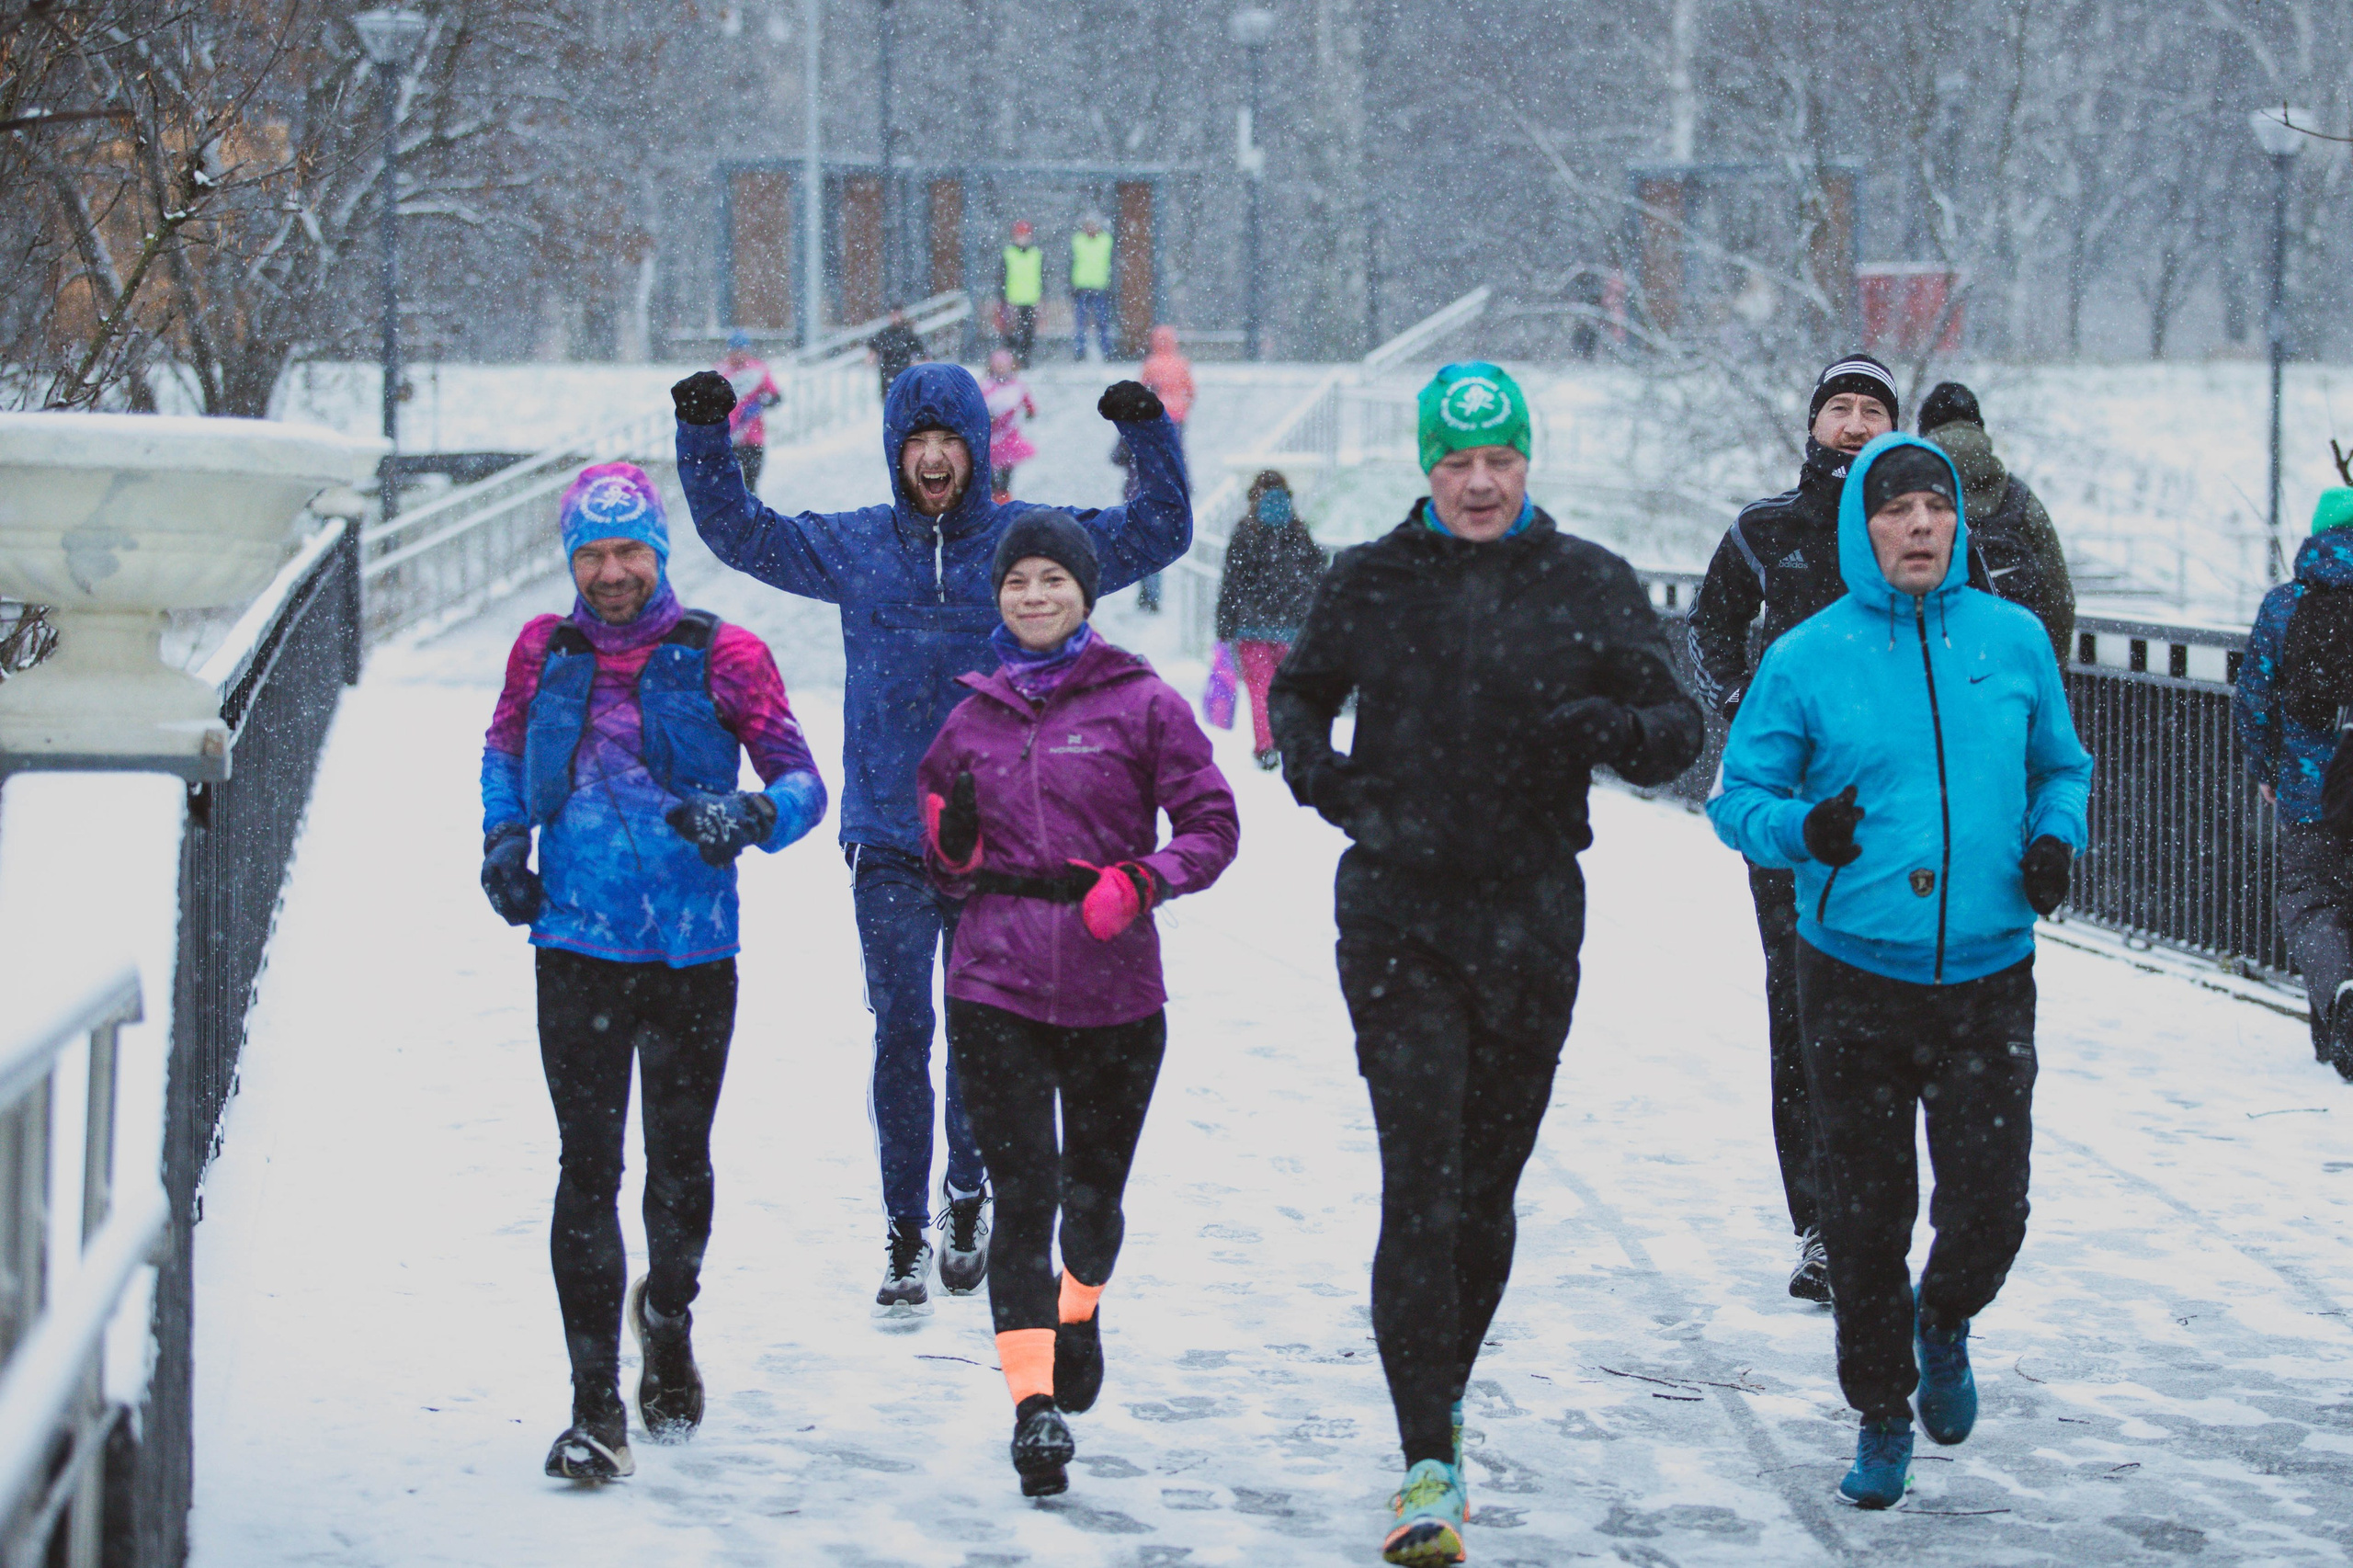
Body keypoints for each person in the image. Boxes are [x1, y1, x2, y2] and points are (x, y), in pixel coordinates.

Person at [1268, 363, 1702, 1564]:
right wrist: (1326, 779)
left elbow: (1678, 729)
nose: (1476, 483)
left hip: (1529, 915)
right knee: (1419, 1177)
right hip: (1397, 912)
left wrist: (1616, 728)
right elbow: (1299, 693)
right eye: (1456, 462)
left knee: (1482, 1193)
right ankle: (1426, 1460)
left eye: (1497, 460)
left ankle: (1440, 1391)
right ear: (1426, 466)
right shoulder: (1370, 575)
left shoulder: (1589, 581)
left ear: (1526, 463)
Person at [665, 359, 1190, 1316]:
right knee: (903, 1029)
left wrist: (1150, 432)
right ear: (895, 452)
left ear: (978, 447)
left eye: (951, 440)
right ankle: (905, 1226)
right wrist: (706, 437)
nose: (935, 457)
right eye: (919, 442)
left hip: (1002, 853)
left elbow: (1159, 530)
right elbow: (741, 532)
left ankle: (967, 1193)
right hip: (890, 840)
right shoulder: (858, 547)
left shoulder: (1026, 547)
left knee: (980, 1038)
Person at [1708, 431, 2091, 1509]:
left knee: (1992, 1206)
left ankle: (1947, 1315)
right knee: (1864, 1217)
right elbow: (1737, 798)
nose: (1919, 524)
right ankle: (1880, 1408)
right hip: (1852, 978)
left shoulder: (2013, 639)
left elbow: (2061, 765)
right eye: (1894, 508)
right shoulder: (1806, 656)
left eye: (1936, 505)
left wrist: (2054, 835)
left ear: (1958, 520)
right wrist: (1803, 830)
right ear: (1860, 528)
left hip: (1987, 974)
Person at [477, 462, 828, 1482]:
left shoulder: (727, 654)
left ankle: (668, 1315)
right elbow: (503, 750)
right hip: (575, 947)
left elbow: (804, 781)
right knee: (586, 1168)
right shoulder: (543, 651)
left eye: (630, 550)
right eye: (590, 554)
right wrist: (503, 839)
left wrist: (751, 815)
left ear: (660, 552)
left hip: (691, 953)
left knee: (679, 1165)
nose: (611, 572)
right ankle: (594, 1406)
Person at [916, 511, 1239, 1497]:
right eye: (1017, 581)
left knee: (1091, 1202)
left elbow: (1212, 823)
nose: (1034, 595)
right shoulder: (970, 716)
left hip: (1116, 988)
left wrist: (1143, 880)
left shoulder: (1141, 703)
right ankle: (1032, 1408)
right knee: (1026, 1198)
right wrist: (951, 847)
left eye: (1052, 579)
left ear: (1085, 594)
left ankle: (1081, 1306)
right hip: (995, 983)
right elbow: (939, 852)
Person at [1686, 352, 1899, 1307]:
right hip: (1788, 812)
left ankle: (1882, 1213)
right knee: (1803, 1001)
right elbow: (1708, 629)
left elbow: (1983, 636)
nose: (1852, 423)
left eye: (1871, 409)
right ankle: (1822, 1224)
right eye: (1838, 407)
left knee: (1897, 1011)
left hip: (1901, 811)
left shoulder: (1926, 529)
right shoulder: (1765, 529)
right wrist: (1746, 706)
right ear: (1812, 425)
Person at [2234, 485, 2353, 1075]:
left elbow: (2253, 697)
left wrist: (2266, 769)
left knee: (2311, 903)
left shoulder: (2285, 605)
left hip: (2309, 787)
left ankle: (2339, 1005)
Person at [1917, 381, 2075, 665]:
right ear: (1979, 427)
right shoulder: (2021, 500)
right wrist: (2048, 675)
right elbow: (2059, 599)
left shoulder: (1909, 499)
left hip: (1938, 668)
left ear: (1924, 433)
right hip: (2012, 668)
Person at [1214, 471, 1326, 768]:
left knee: (1260, 689)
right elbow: (1316, 572)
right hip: (1292, 626)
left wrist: (1225, 623)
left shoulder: (1245, 531)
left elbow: (1232, 581)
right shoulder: (1298, 530)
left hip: (1252, 626)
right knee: (1290, 688)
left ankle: (1266, 746)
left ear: (1255, 495)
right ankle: (1292, 742)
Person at [1133, 325, 1196, 612]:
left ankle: (1145, 594)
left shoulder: (1150, 364)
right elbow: (1191, 391)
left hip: (1158, 413)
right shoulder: (1182, 363)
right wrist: (1182, 404)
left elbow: (1141, 389)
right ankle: (1182, 479)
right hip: (1177, 413)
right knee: (1177, 451)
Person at [714, 331, 782, 492]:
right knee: (728, 487)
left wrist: (760, 404)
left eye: (742, 350)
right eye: (735, 351)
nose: (738, 355)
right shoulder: (719, 372)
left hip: (753, 437)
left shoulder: (758, 370)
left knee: (751, 485)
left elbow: (776, 397)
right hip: (727, 438)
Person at [981, 348, 1037, 503]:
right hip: (990, 437)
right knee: (990, 472)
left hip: (1009, 435)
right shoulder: (986, 386)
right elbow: (977, 405)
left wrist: (1031, 411)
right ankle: (994, 498)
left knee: (1006, 473)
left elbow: (1028, 402)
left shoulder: (1017, 386)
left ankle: (1003, 499)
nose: (1001, 368)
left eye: (1004, 365)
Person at [1070, 214, 1115, 361]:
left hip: (1100, 287)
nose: (1091, 228)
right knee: (1080, 323)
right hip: (1081, 288)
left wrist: (1111, 284)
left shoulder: (1106, 241)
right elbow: (1070, 263)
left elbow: (1112, 263)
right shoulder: (1077, 241)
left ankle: (1106, 351)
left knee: (1102, 322)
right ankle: (1080, 352)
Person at [1001, 221, 1044, 369]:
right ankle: (1010, 360)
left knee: (1028, 332)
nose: (1022, 239)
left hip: (1031, 298)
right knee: (1011, 332)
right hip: (1012, 299)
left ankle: (1025, 359)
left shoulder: (1036, 254)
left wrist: (1041, 296)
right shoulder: (1008, 253)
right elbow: (1001, 276)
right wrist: (1003, 297)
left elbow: (1042, 275)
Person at [868, 303, 928, 405]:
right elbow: (874, 345)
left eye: (897, 314)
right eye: (893, 314)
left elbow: (918, 347)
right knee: (889, 397)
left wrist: (924, 357)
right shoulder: (885, 333)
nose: (895, 317)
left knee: (903, 397)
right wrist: (872, 354)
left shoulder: (907, 332)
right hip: (888, 369)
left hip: (903, 368)